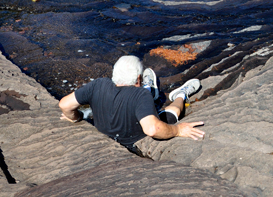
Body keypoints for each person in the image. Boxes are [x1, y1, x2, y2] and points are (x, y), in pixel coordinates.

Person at [58, 55, 204, 154]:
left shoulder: (98, 84)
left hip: (106, 136)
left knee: (143, 101)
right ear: (138, 79)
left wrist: (76, 117)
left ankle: (151, 90)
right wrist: (178, 130)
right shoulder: (139, 95)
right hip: (133, 141)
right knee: (171, 112)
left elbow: (65, 105)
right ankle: (180, 95)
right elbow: (153, 129)